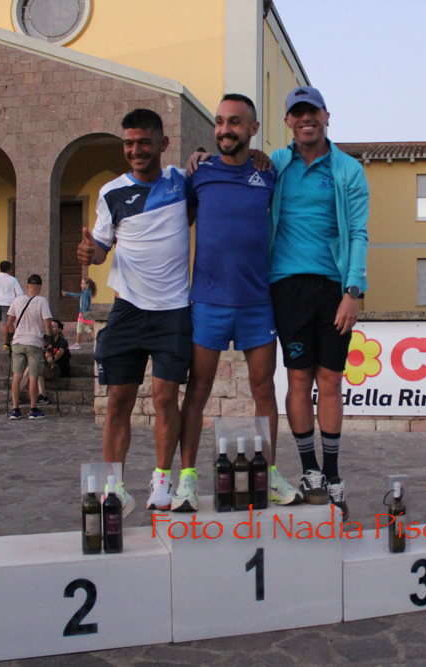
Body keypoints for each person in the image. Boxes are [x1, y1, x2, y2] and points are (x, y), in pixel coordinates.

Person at [178, 94, 302, 512]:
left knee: (264, 389)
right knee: (197, 390)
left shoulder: (269, 174)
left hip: (257, 303)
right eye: (219, 122)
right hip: (207, 302)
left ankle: (268, 475)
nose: (224, 129)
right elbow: (175, 223)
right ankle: (187, 479)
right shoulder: (199, 173)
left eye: (234, 122)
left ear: (253, 129)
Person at [76, 108, 193, 517]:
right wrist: (90, 253)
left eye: (144, 142)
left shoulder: (182, 182)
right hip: (127, 308)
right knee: (117, 402)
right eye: (128, 143)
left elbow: (219, 172)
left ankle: (162, 481)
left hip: (173, 311)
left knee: (165, 399)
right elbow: (101, 247)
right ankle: (114, 489)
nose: (136, 150)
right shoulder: (111, 192)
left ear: (163, 143)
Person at [269, 86, 369, 519]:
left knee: (330, 379)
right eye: (298, 113)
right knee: (297, 378)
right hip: (286, 286)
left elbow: (359, 232)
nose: (306, 118)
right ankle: (309, 469)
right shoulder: (275, 164)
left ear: (327, 116)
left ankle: (332, 473)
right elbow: (237, 168)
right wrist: (199, 158)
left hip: (333, 288)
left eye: (313, 111)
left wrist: (352, 291)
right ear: (288, 121)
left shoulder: (348, 169)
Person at [5, 274, 53, 420]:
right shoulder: (42, 301)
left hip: (18, 342)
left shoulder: (17, 300)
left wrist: (13, 334)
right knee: (33, 376)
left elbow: (9, 323)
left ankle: (15, 409)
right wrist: (49, 339)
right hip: (34, 342)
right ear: (40, 286)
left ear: (27, 286)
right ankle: (33, 409)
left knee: (17, 376)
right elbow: (47, 323)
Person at [37, 318, 71, 405]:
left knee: (36, 370)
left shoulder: (62, 342)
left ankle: (42, 395)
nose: (51, 329)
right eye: (50, 326)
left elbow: (56, 358)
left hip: (58, 368)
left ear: (59, 329)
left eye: (54, 327)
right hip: (46, 367)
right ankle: (18, 393)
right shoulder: (46, 341)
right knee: (32, 369)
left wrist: (45, 361)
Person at [62, 278, 97, 349]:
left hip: (83, 313)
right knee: (87, 329)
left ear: (87, 284)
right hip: (85, 313)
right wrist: (66, 293)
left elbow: (85, 304)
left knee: (79, 327)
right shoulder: (86, 293)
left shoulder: (86, 293)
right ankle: (98, 341)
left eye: (83, 283)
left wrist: (83, 314)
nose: (81, 285)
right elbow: (77, 295)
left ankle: (77, 343)